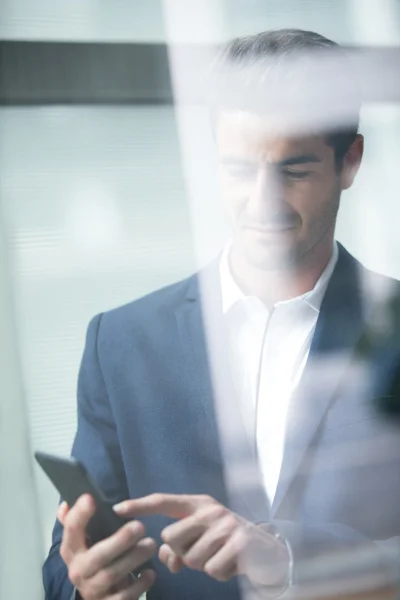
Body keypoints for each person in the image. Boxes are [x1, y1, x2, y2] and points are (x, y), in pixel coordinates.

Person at [43, 29, 400, 600]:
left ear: (350, 161)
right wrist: (86, 583)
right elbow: (62, 572)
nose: (262, 200)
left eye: (295, 170)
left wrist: (284, 557)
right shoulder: (122, 343)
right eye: (238, 169)